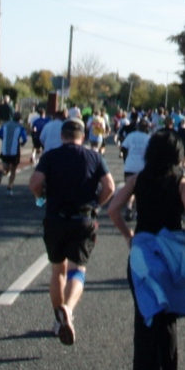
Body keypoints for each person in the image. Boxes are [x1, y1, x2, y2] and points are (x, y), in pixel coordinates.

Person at [109, 129, 185, 370]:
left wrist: (128, 236)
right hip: (170, 258)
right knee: (168, 320)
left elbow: (113, 208)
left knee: (144, 317)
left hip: (142, 256)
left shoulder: (137, 180)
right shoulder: (181, 182)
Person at [28, 118, 115, 345]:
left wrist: (41, 197)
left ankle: (58, 318)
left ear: (62, 136)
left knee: (58, 270)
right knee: (78, 269)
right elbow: (110, 186)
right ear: (83, 137)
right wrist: (97, 204)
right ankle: (68, 308)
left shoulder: (51, 157)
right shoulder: (94, 157)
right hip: (83, 218)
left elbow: (35, 182)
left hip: (56, 218)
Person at [120, 117, 151, 221]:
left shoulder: (131, 136)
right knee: (141, 190)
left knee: (129, 188)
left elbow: (123, 148)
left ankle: (129, 208)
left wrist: (125, 159)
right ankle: (139, 211)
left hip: (130, 165)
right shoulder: (148, 138)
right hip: (142, 166)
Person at [0, 111, 27, 195]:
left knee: (6, 169)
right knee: (13, 170)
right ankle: (9, 188)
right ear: (20, 119)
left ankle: (2, 172)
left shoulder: (5, 125)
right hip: (15, 151)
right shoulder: (20, 127)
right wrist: (22, 143)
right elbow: (24, 138)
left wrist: (4, 138)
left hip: (5, 149)